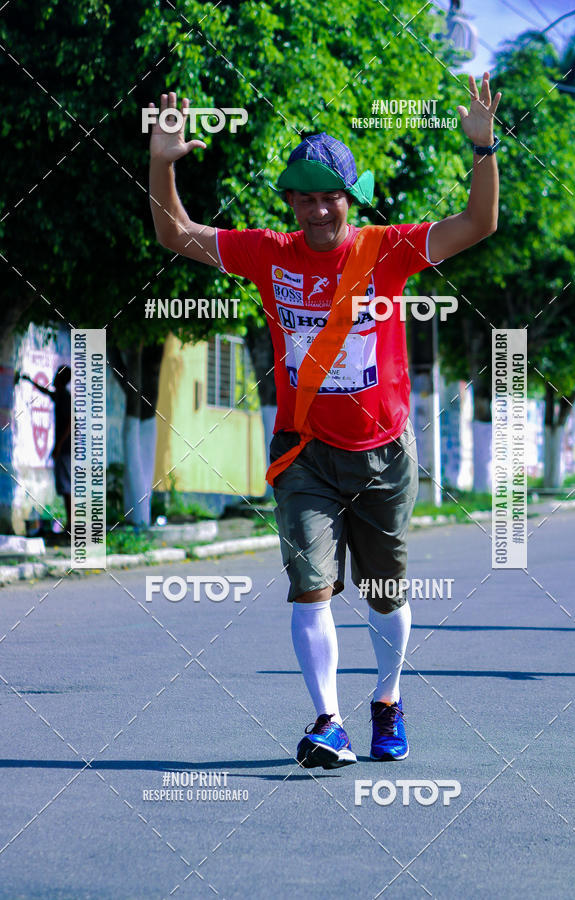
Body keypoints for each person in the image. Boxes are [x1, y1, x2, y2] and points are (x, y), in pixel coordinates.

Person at [148, 73, 501, 768]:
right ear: (290, 202)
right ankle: (328, 722)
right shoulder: (267, 254)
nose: (316, 211)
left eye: (329, 197)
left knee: (385, 594)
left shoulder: (387, 251)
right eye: (303, 198)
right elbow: (175, 233)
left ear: (350, 197)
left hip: (382, 452)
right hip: (305, 450)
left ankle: (388, 699)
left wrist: (484, 151)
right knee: (311, 583)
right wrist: (161, 165)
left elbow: (478, 224)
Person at [20, 366, 72, 537]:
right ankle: (70, 523)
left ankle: (71, 524)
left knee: (66, 487)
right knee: (65, 487)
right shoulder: (60, 395)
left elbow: (70, 424)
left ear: (61, 379)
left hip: (65, 450)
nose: (54, 378)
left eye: (57, 376)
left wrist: (58, 446)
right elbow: (46, 392)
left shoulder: (64, 397)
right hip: (64, 449)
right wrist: (29, 380)